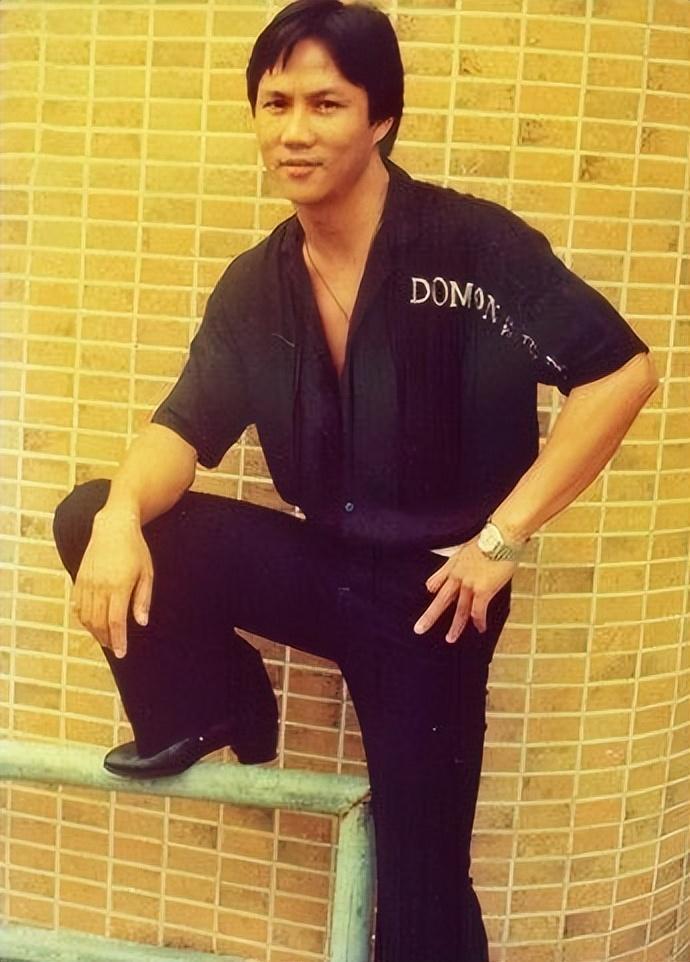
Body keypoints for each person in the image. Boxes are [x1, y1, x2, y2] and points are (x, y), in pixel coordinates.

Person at [53, 1, 658, 959]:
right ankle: (214, 702)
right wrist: (123, 513)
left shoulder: (469, 245)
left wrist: (502, 539)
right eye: (276, 103)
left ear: (381, 119)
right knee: (91, 513)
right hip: (324, 565)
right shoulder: (258, 282)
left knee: (421, 883)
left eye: (326, 104)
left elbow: (620, 373)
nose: (294, 130)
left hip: (435, 598)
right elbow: (182, 427)